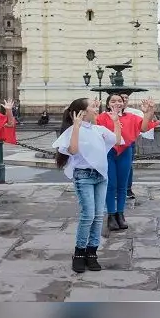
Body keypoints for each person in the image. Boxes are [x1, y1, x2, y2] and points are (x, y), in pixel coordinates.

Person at [52, 98, 124, 273]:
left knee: (98, 216)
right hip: (83, 176)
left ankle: (92, 252)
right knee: (88, 215)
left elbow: (117, 140)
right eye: (93, 106)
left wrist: (116, 122)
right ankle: (79, 252)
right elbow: (73, 150)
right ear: (82, 112)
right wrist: (76, 126)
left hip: (100, 176)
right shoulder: (71, 131)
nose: (96, 108)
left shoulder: (98, 129)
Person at [96, 94, 157, 231]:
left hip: (125, 152)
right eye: (113, 101)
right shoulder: (102, 118)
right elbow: (92, 128)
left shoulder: (131, 117)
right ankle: (111, 215)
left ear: (124, 104)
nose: (117, 103)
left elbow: (144, 128)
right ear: (107, 104)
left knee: (123, 186)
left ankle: (120, 214)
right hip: (108, 153)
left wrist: (148, 112)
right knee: (111, 184)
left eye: (120, 101)